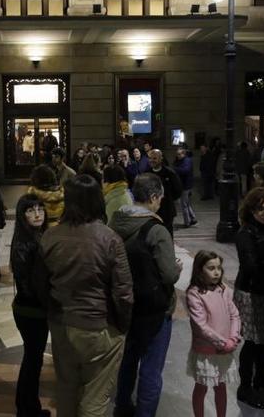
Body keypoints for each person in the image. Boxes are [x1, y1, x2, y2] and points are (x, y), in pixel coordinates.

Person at [39, 174, 133, 417]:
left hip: (61, 324)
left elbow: (39, 284)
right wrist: (122, 326)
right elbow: (123, 293)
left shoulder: (49, 236)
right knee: (95, 397)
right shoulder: (109, 239)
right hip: (97, 325)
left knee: (67, 389)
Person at [110, 173, 181, 417]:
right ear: (152, 197)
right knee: (151, 368)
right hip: (154, 309)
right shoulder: (156, 229)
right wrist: (177, 267)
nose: (160, 202)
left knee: (128, 359)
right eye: (160, 198)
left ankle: (122, 405)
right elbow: (169, 275)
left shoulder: (115, 222)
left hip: (125, 306)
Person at [234, 187, 264, 409]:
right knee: (253, 342)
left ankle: (261, 380)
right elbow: (250, 265)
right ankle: (245, 388)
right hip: (251, 293)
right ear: (251, 210)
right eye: (261, 209)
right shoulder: (246, 233)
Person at [10, 194, 51, 417]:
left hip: (33, 309)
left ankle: (27, 408)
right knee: (32, 362)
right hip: (30, 311)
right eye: (30, 210)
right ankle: (27, 411)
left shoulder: (38, 236)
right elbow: (28, 285)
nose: (37, 214)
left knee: (32, 360)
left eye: (40, 209)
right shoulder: (24, 243)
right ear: (22, 215)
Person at [186, 251, 240, 417]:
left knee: (221, 386)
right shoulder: (195, 294)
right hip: (206, 351)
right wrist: (222, 342)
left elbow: (234, 315)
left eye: (218, 268)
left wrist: (233, 337)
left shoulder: (224, 290)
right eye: (211, 268)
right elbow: (201, 326)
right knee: (201, 386)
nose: (217, 272)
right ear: (200, 270)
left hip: (225, 348)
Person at [145, 149, 183, 238]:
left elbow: (178, 190)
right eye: (150, 158)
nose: (152, 161)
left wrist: (167, 199)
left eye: (154, 158)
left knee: (167, 235)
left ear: (161, 159)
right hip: (152, 210)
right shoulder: (147, 173)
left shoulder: (170, 173)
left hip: (167, 210)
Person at [175, 147, 197, 227]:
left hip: (185, 185)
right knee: (186, 203)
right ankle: (193, 218)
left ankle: (187, 222)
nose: (178, 156)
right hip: (184, 185)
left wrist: (176, 169)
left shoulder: (187, 160)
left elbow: (186, 171)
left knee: (183, 204)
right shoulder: (180, 160)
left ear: (183, 153)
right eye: (177, 154)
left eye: (179, 154)